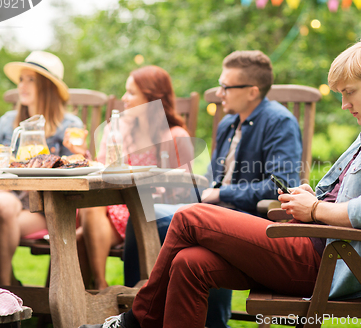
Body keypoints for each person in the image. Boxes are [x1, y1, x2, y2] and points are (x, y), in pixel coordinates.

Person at [80, 37, 361, 328]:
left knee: (189, 216)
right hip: (318, 246)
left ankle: (134, 321)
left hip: (334, 259)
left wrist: (317, 209)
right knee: (189, 264)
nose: (343, 103)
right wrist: (312, 200)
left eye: (349, 92)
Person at [123, 50, 302, 328]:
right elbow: (209, 180)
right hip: (212, 211)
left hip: (250, 219)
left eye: (226, 87)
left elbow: (281, 185)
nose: (220, 93)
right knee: (144, 213)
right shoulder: (228, 123)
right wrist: (184, 188)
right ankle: (134, 309)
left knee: (181, 230)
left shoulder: (280, 122)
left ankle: (207, 321)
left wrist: (222, 194)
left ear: (252, 91)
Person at [0, 51, 84, 286]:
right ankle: (9, 290)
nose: (22, 85)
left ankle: (7, 289)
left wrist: (75, 153)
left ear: (48, 87)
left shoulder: (69, 125)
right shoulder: (7, 121)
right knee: (0, 205)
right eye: (21, 79)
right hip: (5, 197)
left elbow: (79, 167)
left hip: (44, 209)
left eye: (31, 79)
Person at [75, 65, 194, 291]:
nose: (124, 98)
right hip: (112, 207)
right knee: (90, 212)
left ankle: (95, 294)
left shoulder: (174, 136)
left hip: (145, 211)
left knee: (80, 237)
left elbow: (185, 188)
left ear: (152, 98)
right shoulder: (115, 130)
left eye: (131, 93)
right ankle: (100, 287)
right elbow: (102, 170)